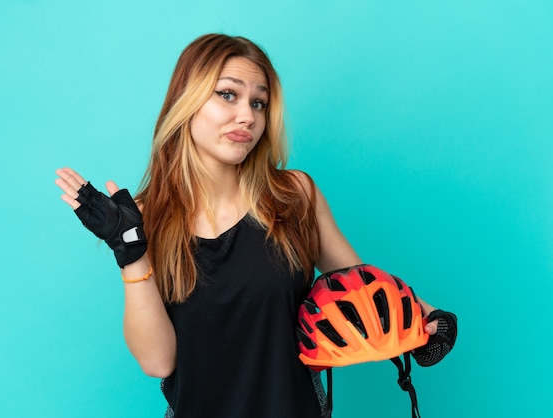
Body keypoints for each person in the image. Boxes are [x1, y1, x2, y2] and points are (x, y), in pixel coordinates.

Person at [55, 33, 454, 418]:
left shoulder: (294, 196)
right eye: (227, 94)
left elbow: (361, 288)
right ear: (187, 101)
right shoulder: (141, 218)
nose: (247, 115)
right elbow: (158, 362)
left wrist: (422, 317)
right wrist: (131, 255)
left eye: (259, 103)